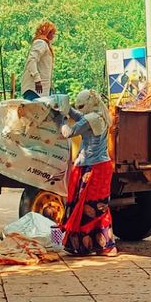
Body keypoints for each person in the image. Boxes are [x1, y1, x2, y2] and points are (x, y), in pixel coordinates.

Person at [59, 89, 117, 257]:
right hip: (98, 166)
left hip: (92, 168)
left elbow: (68, 133)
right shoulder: (100, 115)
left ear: (90, 104)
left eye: (82, 106)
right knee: (89, 206)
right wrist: (68, 109)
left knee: (92, 207)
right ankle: (86, 246)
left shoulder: (91, 118)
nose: (81, 109)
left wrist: (60, 118)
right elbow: (80, 117)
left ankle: (105, 246)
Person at [20, 21, 56, 100]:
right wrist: (37, 79)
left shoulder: (45, 44)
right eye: (52, 33)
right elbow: (32, 60)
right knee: (34, 111)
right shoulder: (41, 43)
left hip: (42, 89)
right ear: (47, 32)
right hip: (35, 88)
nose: (53, 36)